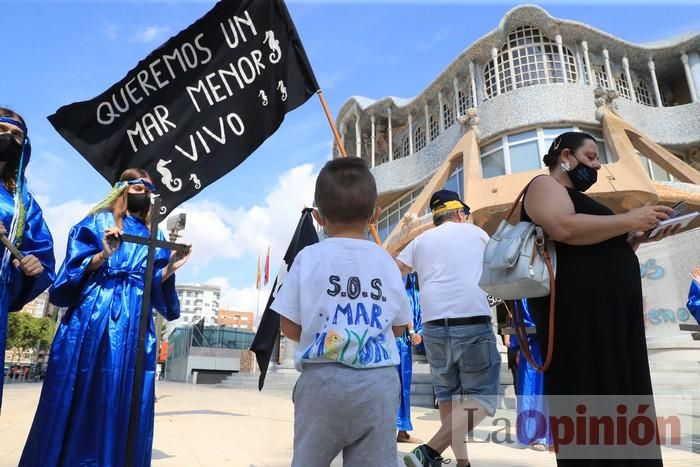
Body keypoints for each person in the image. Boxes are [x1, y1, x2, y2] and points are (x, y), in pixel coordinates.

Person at [521, 131, 677, 466]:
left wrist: (633, 238)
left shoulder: (580, 199)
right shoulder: (544, 186)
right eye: (590, 157)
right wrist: (629, 219)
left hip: (610, 325)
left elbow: (592, 247)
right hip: (580, 325)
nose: (597, 164)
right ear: (565, 155)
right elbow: (563, 227)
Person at [20, 168, 191, 467]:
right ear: (123, 189)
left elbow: (151, 283)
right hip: (94, 313)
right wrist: (103, 255)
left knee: (125, 397)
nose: (145, 192)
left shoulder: (156, 233)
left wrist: (172, 267)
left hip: (136, 322)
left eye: (149, 188)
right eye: (139, 186)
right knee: (83, 389)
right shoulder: (97, 220)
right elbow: (68, 276)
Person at [272, 157, 412, 467]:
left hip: (322, 383)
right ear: (375, 215)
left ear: (319, 218)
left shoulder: (307, 258)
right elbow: (400, 327)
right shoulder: (387, 262)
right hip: (378, 384)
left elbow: (289, 327)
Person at [397, 189, 501, 467]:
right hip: (472, 323)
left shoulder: (420, 240)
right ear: (458, 213)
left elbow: (395, 272)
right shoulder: (476, 234)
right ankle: (429, 450)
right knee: (484, 397)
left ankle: (462, 463)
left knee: (447, 395)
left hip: (433, 328)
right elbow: (499, 269)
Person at [0, 108, 55, 410]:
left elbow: (41, 254)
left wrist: (31, 266)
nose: (8, 138)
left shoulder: (22, 201)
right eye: (2, 130)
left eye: (16, 135)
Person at [510, 299, 551, 451]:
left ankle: (547, 435)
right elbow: (522, 320)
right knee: (530, 387)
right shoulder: (522, 294)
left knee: (545, 388)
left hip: (549, 343)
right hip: (533, 346)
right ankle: (533, 435)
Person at [397, 272, 423, 443]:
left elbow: (418, 312)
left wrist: (418, 333)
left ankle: (403, 430)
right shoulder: (396, 279)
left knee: (404, 387)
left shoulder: (415, 287)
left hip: (405, 344)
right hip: (391, 341)